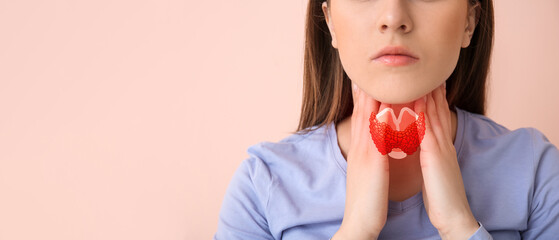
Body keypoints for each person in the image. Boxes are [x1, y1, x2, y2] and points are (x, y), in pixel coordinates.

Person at [214, 0, 559, 239]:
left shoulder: (535, 169)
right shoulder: (263, 185)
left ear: (469, 21)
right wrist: (356, 232)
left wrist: (459, 225)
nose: (394, 17)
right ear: (330, 21)